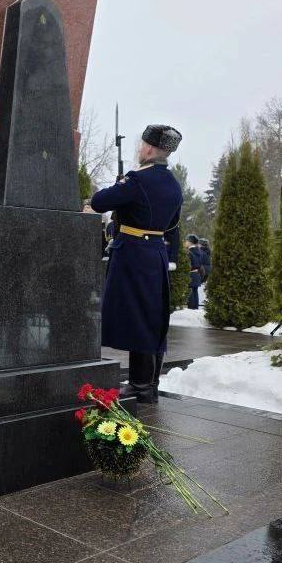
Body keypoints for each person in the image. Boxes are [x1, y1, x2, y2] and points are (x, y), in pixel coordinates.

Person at [90, 124, 183, 404]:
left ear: (150, 149)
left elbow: (98, 202)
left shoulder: (138, 180)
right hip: (155, 253)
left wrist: (122, 184)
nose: (139, 149)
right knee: (152, 317)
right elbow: (172, 224)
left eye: (142, 145)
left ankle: (141, 384)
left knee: (138, 318)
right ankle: (148, 383)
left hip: (132, 254)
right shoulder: (174, 185)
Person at [185, 234, 203, 309]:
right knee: (195, 291)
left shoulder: (190, 252)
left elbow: (190, 264)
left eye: (186, 241)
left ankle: (191, 308)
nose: (185, 242)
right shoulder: (198, 251)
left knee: (191, 292)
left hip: (192, 274)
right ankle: (195, 307)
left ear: (190, 242)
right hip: (197, 274)